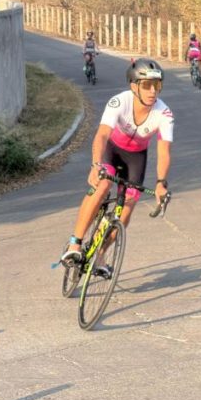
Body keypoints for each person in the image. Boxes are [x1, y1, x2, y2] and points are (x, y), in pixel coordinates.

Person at [59, 58, 173, 267]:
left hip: (136, 157)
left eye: (157, 86)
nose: (152, 91)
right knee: (102, 185)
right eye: (146, 85)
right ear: (133, 86)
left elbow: (164, 150)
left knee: (127, 208)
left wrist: (161, 183)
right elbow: (102, 135)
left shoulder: (164, 113)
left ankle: (101, 256)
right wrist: (95, 166)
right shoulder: (120, 102)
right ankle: (74, 244)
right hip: (111, 151)